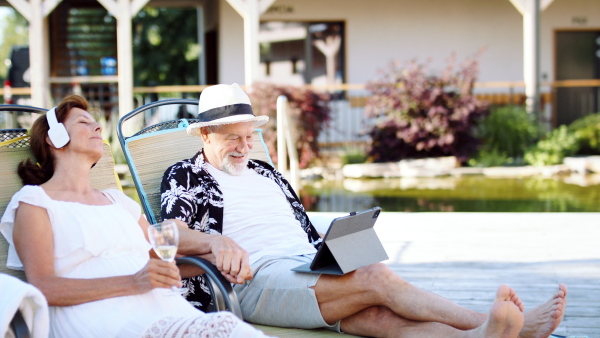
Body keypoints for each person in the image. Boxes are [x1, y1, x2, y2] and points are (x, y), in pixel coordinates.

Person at [161, 84, 568, 338]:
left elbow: (299, 225)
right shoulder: (185, 174)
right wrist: (216, 244)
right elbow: (170, 233)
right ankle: (498, 323)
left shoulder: (266, 171)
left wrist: (339, 242)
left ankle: (482, 335)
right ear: (205, 133)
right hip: (256, 279)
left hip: (307, 264)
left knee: (375, 314)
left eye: (249, 137)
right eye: (233, 138)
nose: (244, 147)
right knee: (374, 277)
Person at [0, 95, 269, 337]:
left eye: (96, 123)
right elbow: (44, 287)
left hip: (162, 306)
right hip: (96, 316)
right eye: (84, 122)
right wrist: (132, 282)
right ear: (54, 138)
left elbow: (160, 262)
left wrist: (217, 259)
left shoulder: (118, 201)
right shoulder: (35, 202)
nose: (97, 127)